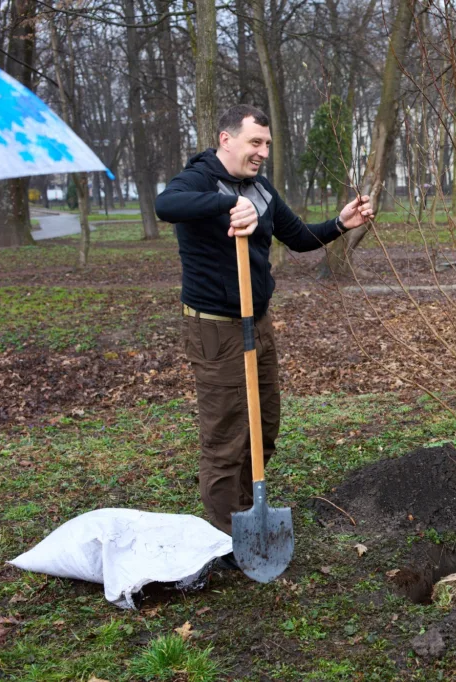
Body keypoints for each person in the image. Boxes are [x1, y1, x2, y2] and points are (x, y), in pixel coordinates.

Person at [155, 105, 373, 553]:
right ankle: (223, 538)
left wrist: (339, 224)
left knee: (263, 424)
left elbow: (297, 237)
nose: (262, 152)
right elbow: (166, 205)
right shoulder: (198, 179)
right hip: (216, 329)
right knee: (226, 435)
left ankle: (243, 510)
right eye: (256, 142)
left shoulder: (260, 188)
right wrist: (226, 203)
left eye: (267, 144)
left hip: (258, 322)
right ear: (226, 139)